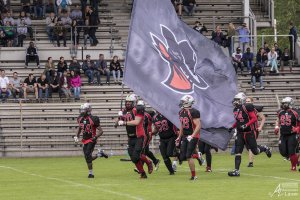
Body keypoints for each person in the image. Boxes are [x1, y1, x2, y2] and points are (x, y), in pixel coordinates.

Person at [228, 92, 272, 177]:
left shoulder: (247, 106)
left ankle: (265, 148)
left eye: (237, 100)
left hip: (249, 132)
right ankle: (236, 171)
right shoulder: (235, 110)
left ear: (242, 100)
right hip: (240, 133)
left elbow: (254, 118)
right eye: (235, 100)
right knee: (238, 151)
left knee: (255, 151)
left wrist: (246, 125)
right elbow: (238, 121)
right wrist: (232, 127)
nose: (235, 102)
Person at [116, 94, 153, 179]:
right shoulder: (124, 111)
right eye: (127, 102)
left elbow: (136, 122)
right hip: (130, 137)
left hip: (139, 136)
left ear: (134, 102)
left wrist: (124, 122)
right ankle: (143, 173)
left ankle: (148, 162)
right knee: (133, 158)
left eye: (130, 102)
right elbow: (116, 124)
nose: (128, 104)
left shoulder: (139, 109)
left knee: (136, 155)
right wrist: (119, 117)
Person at [74, 103, 108, 178]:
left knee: (87, 154)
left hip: (92, 139)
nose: (82, 111)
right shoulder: (80, 118)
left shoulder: (93, 119)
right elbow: (80, 127)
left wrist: (95, 137)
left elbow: (101, 131)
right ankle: (99, 154)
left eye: (83, 110)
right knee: (87, 157)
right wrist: (76, 136)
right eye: (82, 110)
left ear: (88, 110)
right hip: (84, 139)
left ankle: (91, 174)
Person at [176, 94, 201, 180]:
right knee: (182, 156)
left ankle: (194, 176)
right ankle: (197, 156)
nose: (181, 103)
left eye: (183, 102)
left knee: (188, 156)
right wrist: (179, 136)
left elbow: (198, 125)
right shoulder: (181, 112)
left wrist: (192, 136)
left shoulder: (194, 112)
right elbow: (182, 125)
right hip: (185, 135)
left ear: (187, 102)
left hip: (193, 135)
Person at [275, 97, 299, 171]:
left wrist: (297, 129)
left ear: (290, 104)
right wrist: (276, 127)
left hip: (292, 134)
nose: (284, 105)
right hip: (283, 134)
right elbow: (278, 120)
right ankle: (296, 160)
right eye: (283, 103)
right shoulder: (280, 112)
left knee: (292, 151)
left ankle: (293, 167)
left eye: (285, 103)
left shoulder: (296, 112)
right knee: (283, 152)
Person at [245, 97, 266, 167]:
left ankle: (251, 162)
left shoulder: (255, 109)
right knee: (249, 147)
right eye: (246, 101)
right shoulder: (244, 109)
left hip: (254, 130)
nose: (247, 102)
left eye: (248, 101)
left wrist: (260, 127)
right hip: (246, 130)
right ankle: (264, 148)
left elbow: (263, 118)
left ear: (252, 102)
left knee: (251, 147)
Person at [140, 101, 160, 171]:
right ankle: (155, 160)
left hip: (147, 134)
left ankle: (140, 167)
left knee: (142, 150)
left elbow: (156, 122)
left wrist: (153, 132)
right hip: (140, 134)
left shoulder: (149, 114)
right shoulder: (136, 114)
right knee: (145, 151)